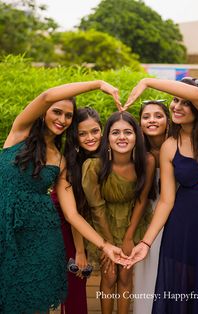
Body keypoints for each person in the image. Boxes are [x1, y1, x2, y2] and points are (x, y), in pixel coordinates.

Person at [0, 80, 128, 314]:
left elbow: (72, 214)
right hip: (4, 225)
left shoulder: (61, 160)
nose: (62, 119)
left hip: (39, 236)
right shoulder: (21, 132)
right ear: (44, 113)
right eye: (57, 112)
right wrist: (98, 84)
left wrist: (105, 245)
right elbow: (47, 95)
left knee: (32, 301)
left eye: (68, 116)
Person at [124, 77, 198, 313]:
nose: (176, 106)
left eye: (185, 103)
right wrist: (146, 242)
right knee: (181, 298)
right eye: (175, 100)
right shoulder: (170, 146)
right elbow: (166, 200)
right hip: (183, 228)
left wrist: (146, 81)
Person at [82, 111, 156, 314]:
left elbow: (142, 200)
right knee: (109, 276)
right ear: (107, 138)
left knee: (125, 276)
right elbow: (96, 208)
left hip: (133, 221)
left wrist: (129, 237)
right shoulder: (94, 166)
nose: (122, 137)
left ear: (137, 136)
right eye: (115, 132)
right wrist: (107, 244)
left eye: (128, 132)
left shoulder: (146, 162)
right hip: (103, 223)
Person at [51, 107, 103, 314]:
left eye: (95, 131)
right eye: (82, 133)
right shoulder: (71, 163)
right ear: (75, 136)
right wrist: (80, 251)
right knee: (76, 278)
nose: (90, 137)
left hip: (83, 223)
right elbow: (74, 213)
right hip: (64, 223)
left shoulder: (103, 156)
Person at [133, 99, 170, 314]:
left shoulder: (178, 146)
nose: (152, 120)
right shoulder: (136, 151)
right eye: (146, 117)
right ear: (139, 123)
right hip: (145, 215)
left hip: (175, 215)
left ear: (167, 119)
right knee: (146, 269)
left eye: (158, 115)